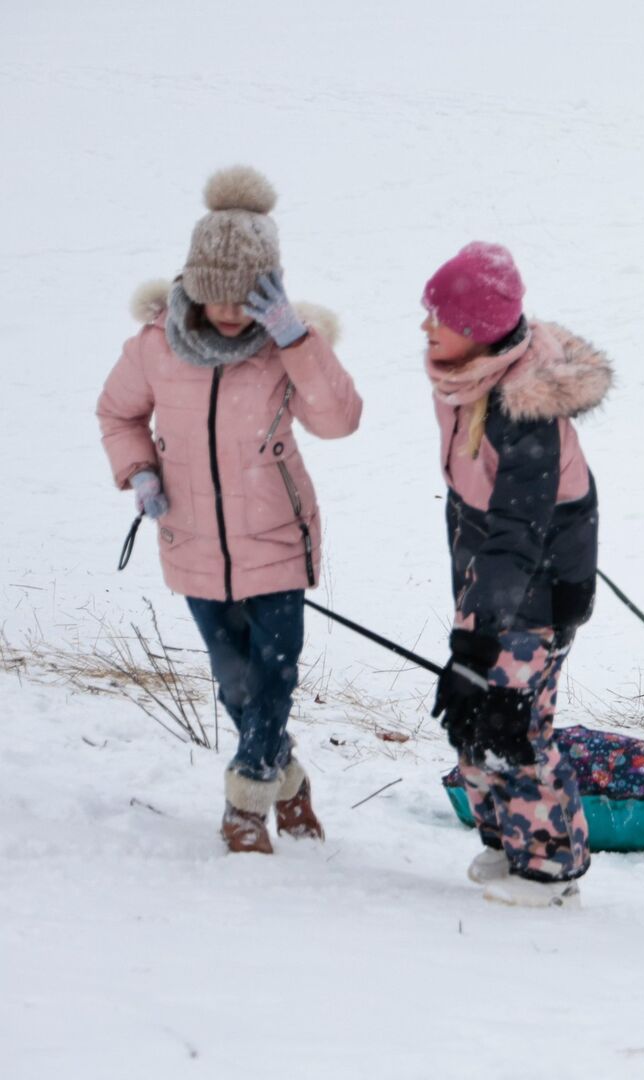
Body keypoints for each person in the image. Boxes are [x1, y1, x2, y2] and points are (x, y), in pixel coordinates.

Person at [96, 166, 361, 854]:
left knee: (273, 675)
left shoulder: (283, 345)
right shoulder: (156, 346)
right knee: (236, 684)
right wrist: (139, 473)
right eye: (218, 296)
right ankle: (291, 782)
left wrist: (297, 338)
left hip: (276, 534)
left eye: (246, 298)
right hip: (191, 541)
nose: (231, 312)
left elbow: (338, 420)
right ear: (194, 284)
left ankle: (246, 806)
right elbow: (117, 413)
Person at [420, 242, 609, 908]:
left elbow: (518, 531)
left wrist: (477, 639)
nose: (424, 327)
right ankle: (509, 842)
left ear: (473, 333)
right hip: (492, 582)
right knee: (474, 713)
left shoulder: (521, 410)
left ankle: (551, 867)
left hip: (536, 589)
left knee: (512, 721)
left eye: (436, 318)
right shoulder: (465, 377)